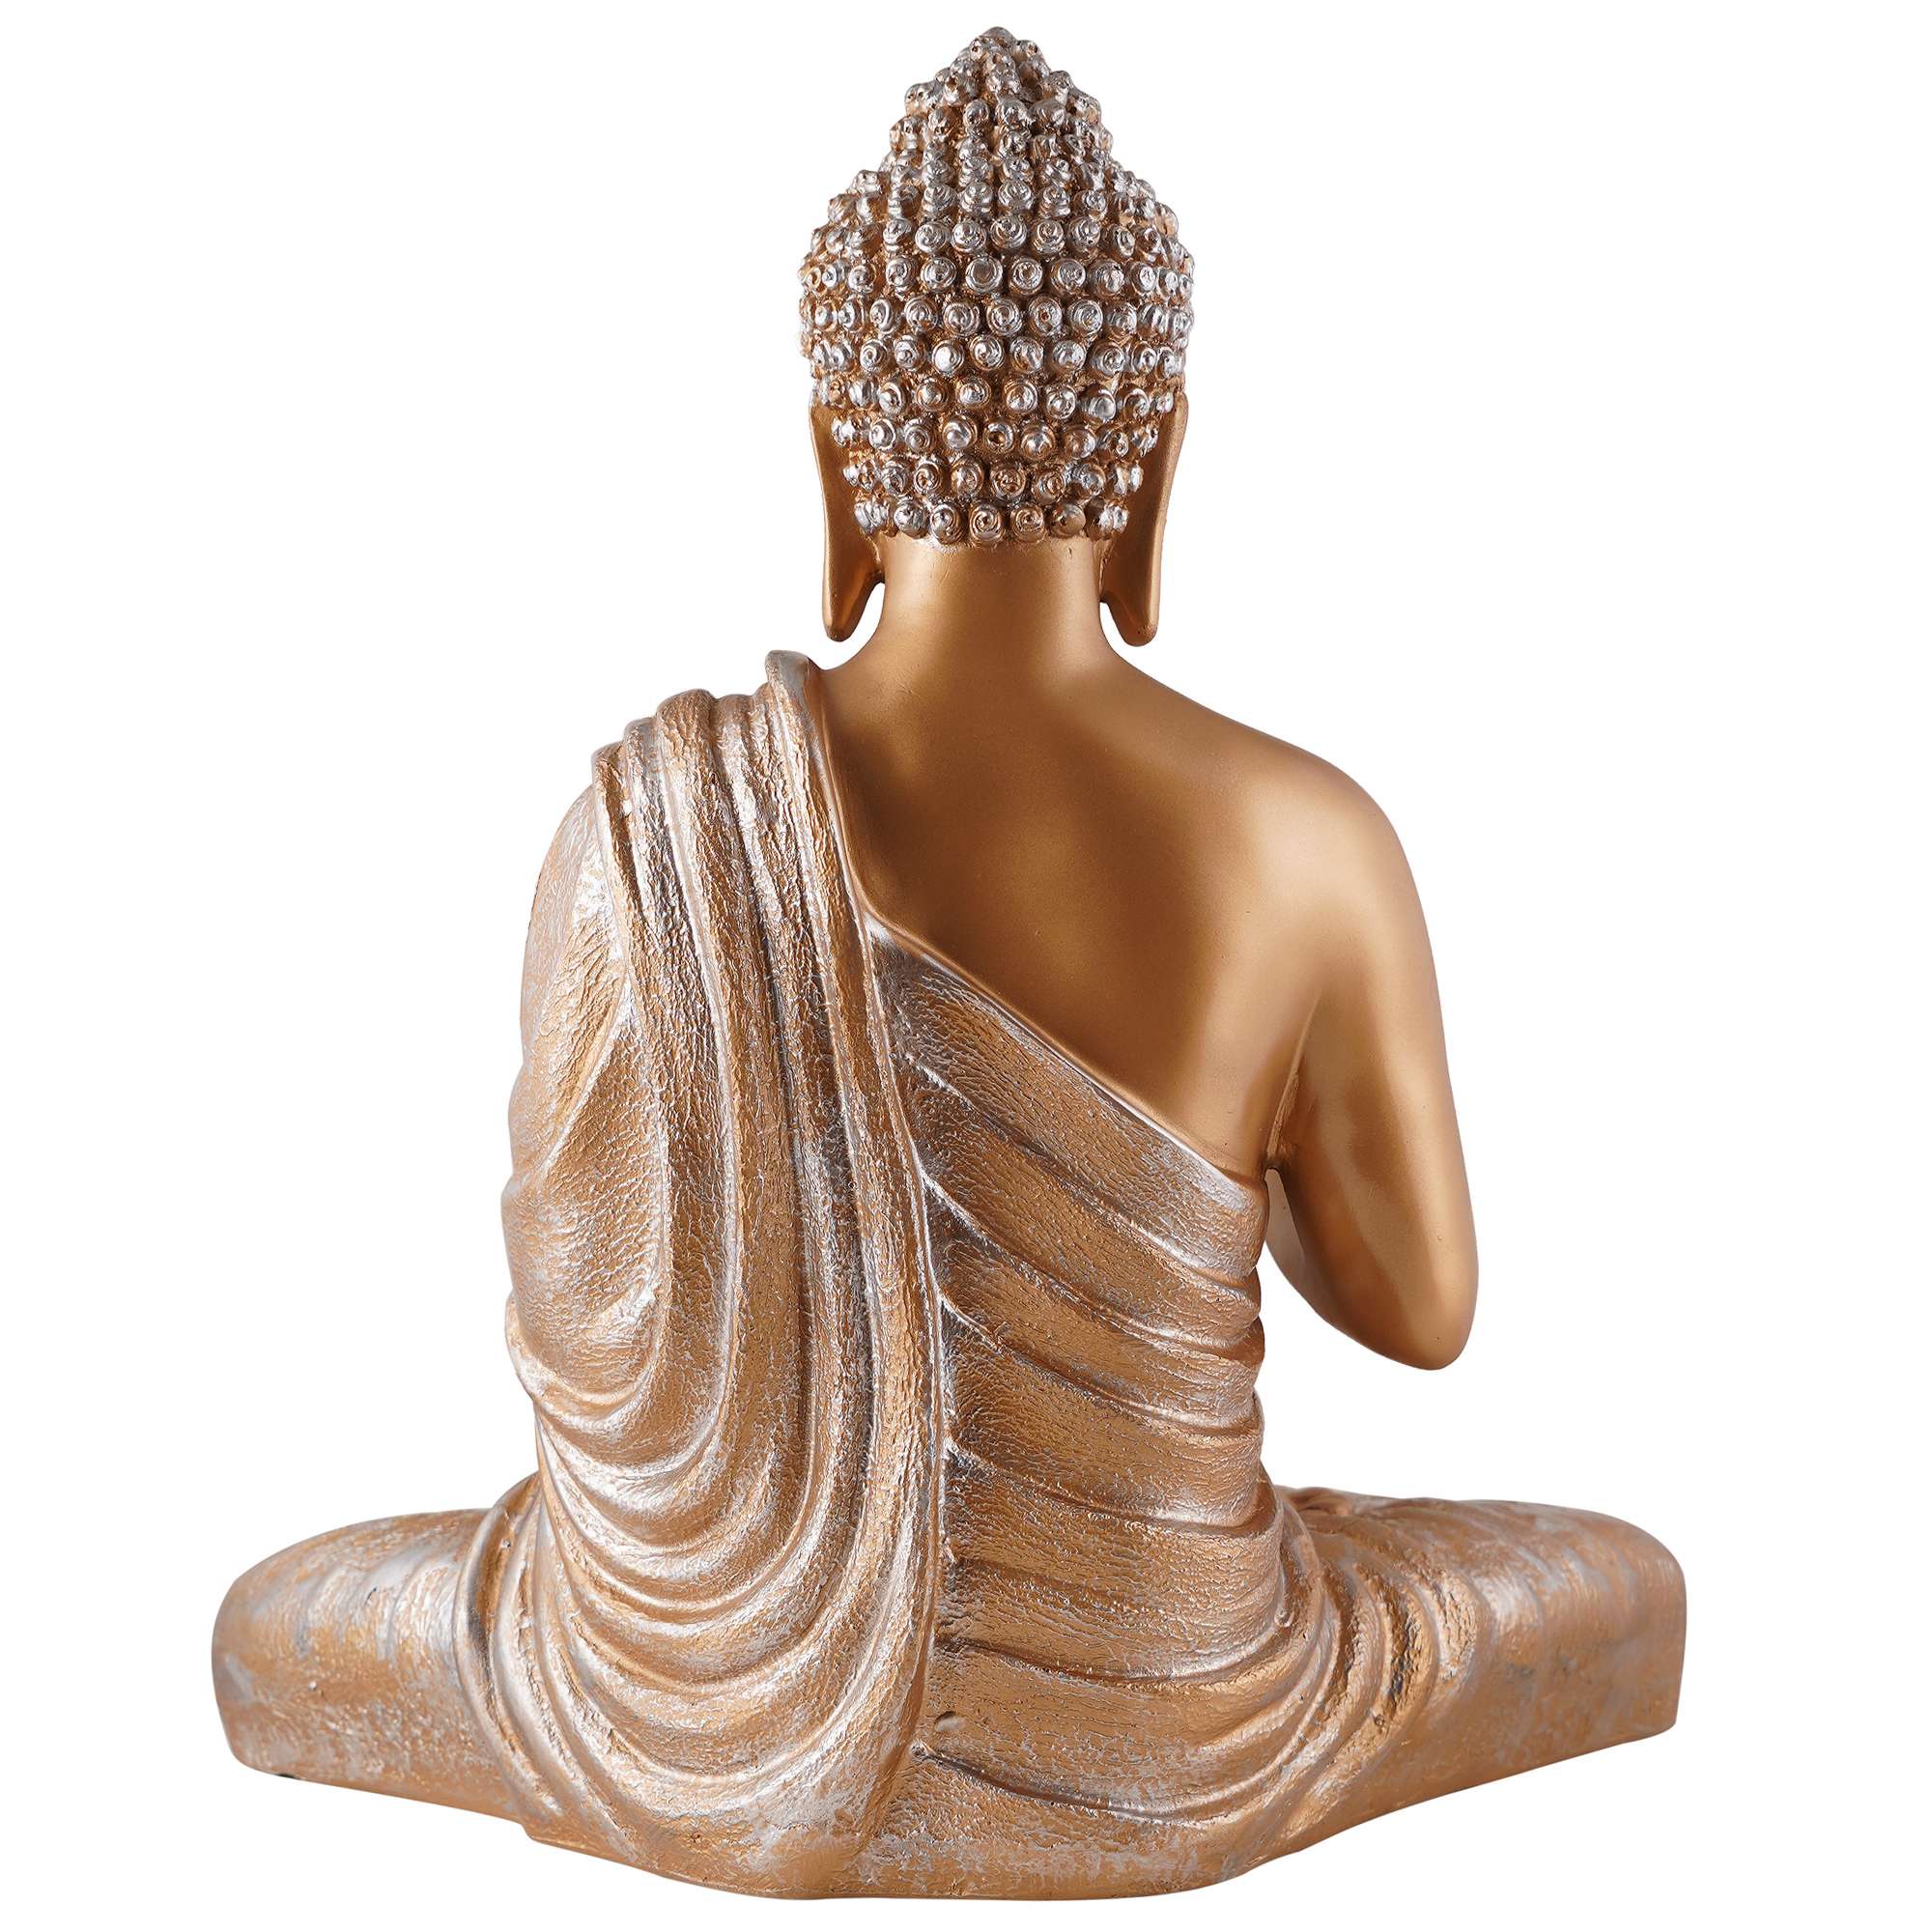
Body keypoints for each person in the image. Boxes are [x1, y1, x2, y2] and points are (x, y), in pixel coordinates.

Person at [214, 28, 1684, 1898]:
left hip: (687, 1720)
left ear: (839, 468)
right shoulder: (1306, 836)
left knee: (277, 1624)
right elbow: (1418, 1311)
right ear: (1154, 467)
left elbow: (581, 1349)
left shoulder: (649, 824)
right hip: (1174, 1718)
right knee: (1615, 1585)